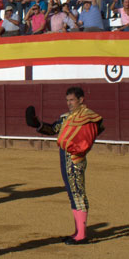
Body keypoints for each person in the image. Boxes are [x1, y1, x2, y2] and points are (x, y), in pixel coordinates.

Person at [26, 87, 104, 245]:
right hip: (64, 157)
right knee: (72, 194)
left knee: (78, 193)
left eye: (72, 100)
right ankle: (77, 232)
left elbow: (95, 131)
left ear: (81, 100)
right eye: (67, 100)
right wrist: (37, 123)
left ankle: (82, 235)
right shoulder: (66, 118)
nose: (69, 103)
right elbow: (52, 129)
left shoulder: (88, 117)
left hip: (76, 158)